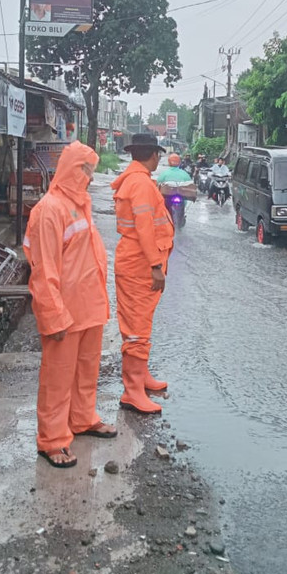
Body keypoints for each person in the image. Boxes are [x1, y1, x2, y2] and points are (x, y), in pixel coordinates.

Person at [23, 141, 116, 469]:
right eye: (85, 169)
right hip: (65, 311)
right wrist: (53, 315)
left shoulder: (81, 203)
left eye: (91, 170)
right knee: (58, 379)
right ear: (70, 169)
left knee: (86, 372)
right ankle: (52, 440)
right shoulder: (49, 209)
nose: (89, 176)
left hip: (89, 308)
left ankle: (82, 419)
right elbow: (44, 269)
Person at [112, 134, 175, 414]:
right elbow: (144, 227)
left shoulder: (138, 181)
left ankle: (142, 377)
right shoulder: (139, 183)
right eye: (158, 155)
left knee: (142, 324)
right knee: (137, 328)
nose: (159, 159)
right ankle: (133, 391)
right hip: (140, 264)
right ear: (153, 155)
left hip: (139, 261)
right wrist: (154, 266)